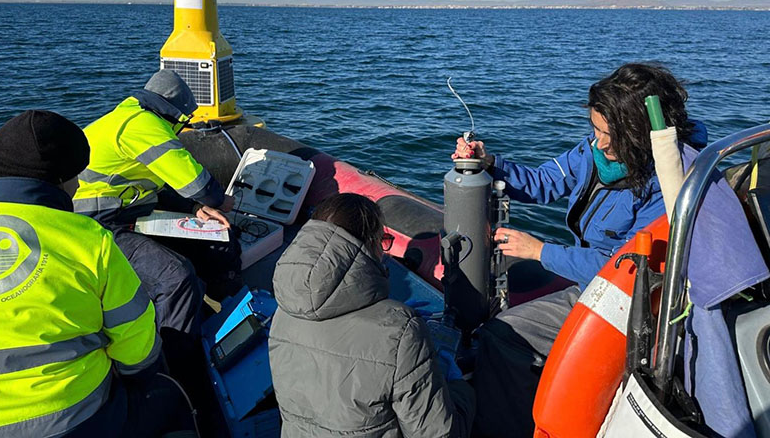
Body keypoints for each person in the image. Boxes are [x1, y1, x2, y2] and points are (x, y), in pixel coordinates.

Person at [454, 63, 707, 438]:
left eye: (611, 135)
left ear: (640, 135)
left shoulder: (667, 181)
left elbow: (624, 270)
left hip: (627, 299)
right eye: (596, 130)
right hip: (596, 278)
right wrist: (491, 163)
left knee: (502, 335)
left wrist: (540, 251)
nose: (600, 144)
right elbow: (543, 182)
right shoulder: (595, 153)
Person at [0, 110, 190, 437]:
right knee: (173, 398)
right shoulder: (89, 240)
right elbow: (138, 351)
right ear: (61, 180)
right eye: (77, 175)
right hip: (75, 422)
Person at [268, 193, 476, 437]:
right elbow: (438, 434)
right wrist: (460, 387)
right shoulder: (401, 330)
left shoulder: (284, 310)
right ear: (369, 245)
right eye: (382, 241)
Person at [73, 69, 240, 337]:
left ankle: (221, 312)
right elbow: (199, 185)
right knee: (176, 277)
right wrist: (220, 200)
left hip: (124, 213)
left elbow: (156, 186)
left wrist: (194, 208)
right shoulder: (144, 126)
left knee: (215, 241)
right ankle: (179, 360)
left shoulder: (126, 117)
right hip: (94, 225)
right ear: (173, 113)